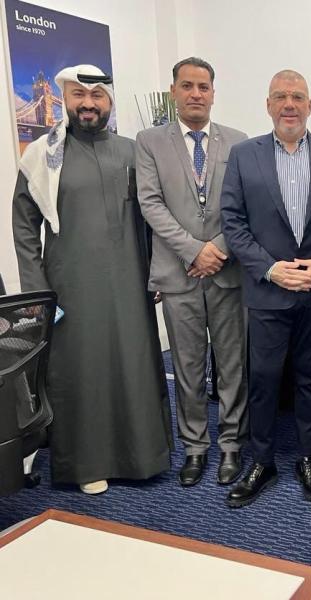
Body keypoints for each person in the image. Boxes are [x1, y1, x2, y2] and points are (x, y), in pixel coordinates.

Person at [12, 64, 172, 494]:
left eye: (96, 96)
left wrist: (158, 272)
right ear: (64, 99)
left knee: (134, 364)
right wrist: (37, 292)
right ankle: (86, 464)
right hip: (71, 285)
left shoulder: (132, 152)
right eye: (78, 95)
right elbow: (24, 228)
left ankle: (143, 457)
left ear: (109, 101)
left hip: (130, 282)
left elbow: (153, 219)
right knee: (81, 372)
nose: (87, 104)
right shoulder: (41, 156)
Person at [220, 70, 311, 508]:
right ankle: (262, 462)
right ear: (268, 105)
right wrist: (270, 269)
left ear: (310, 105)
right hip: (267, 292)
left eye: (297, 96)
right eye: (280, 96)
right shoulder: (244, 155)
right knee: (262, 380)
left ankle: (307, 460)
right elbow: (232, 222)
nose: (289, 104)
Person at [136, 57, 248, 488]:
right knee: (187, 366)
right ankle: (196, 447)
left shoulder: (238, 142)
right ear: (174, 92)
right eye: (187, 86)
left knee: (232, 364)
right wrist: (193, 251)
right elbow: (150, 203)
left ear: (214, 93)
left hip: (226, 271)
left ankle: (232, 444)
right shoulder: (149, 141)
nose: (196, 94)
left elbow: (242, 206)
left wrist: (216, 249)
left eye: (203, 87)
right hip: (178, 273)